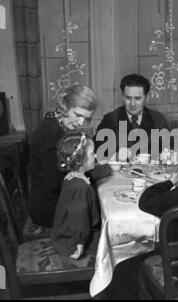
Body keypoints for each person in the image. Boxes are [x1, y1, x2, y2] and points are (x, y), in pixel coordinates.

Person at [29, 85, 98, 228]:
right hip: (49, 209)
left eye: (86, 118)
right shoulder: (52, 132)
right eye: (78, 115)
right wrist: (90, 172)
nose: (81, 123)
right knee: (96, 218)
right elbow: (54, 183)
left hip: (55, 201)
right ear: (65, 106)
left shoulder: (55, 122)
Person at [94, 73, 170, 160]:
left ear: (147, 98)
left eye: (137, 98)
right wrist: (116, 156)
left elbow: (170, 148)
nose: (132, 104)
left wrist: (167, 154)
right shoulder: (109, 120)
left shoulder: (158, 119)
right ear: (123, 97)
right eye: (128, 98)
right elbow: (97, 154)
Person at [51, 132, 101, 259]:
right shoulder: (79, 186)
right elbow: (79, 217)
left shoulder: (72, 177)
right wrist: (80, 244)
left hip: (73, 232)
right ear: (79, 160)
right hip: (73, 240)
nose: (95, 156)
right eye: (92, 153)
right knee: (113, 246)